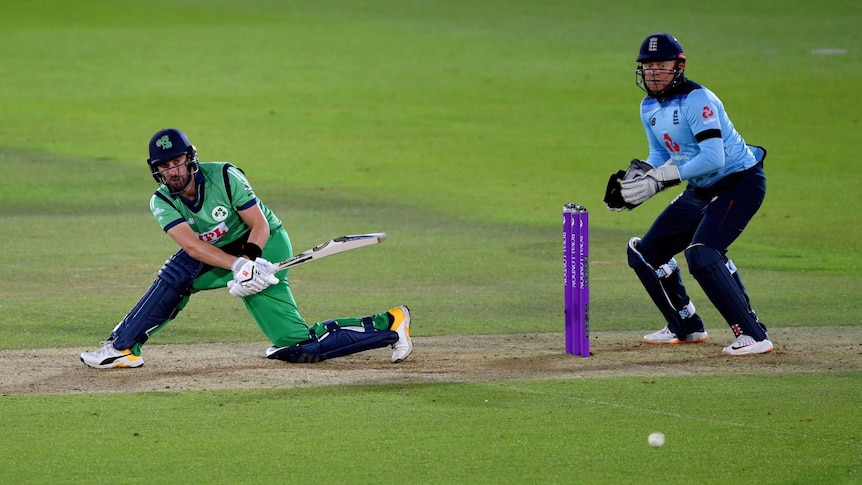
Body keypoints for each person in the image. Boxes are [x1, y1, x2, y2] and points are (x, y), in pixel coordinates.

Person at [81, 128, 413, 368]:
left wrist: (251, 260)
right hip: (221, 254)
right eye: (165, 166)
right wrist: (237, 267)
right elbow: (192, 247)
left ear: (190, 158)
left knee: (297, 347)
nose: (173, 171)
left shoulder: (225, 176)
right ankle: (123, 348)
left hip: (264, 246)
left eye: (177, 162)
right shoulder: (162, 200)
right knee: (178, 272)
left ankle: (390, 324)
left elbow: (260, 225)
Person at [604, 33, 772, 356]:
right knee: (644, 253)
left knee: (703, 252)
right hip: (701, 188)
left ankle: (754, 334)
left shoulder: (698, 100)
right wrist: (636, 182)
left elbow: (714, 157)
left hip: (739, 181)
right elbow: (659, 153)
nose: (653, 72)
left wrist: (662, 178)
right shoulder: (648, 107)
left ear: (678, 66)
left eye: (661, 65)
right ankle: (686, 325)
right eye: (648, 66)